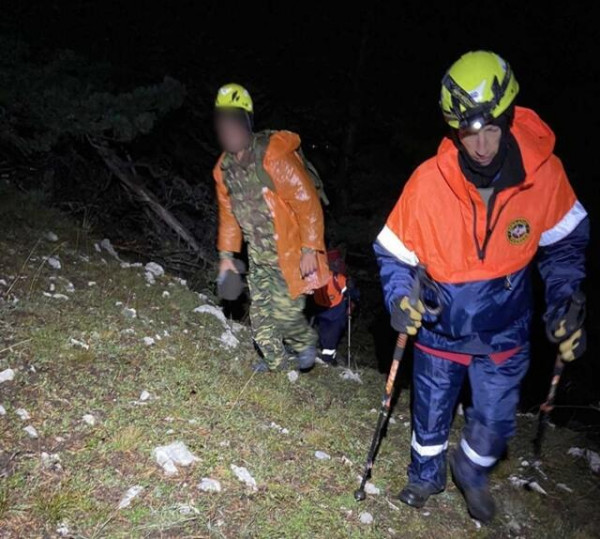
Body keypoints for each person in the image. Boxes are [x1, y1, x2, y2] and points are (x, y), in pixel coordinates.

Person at [374, 51, 589, 523]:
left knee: (494, 422)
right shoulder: (428, 183)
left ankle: (470, 466)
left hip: (505, 332)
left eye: (492, 128)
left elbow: (566, 247)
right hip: (438, 326)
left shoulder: (544, 176)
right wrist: (399, 299)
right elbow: (392, 251)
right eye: (471, 134)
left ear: (509, 119)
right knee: (429, 413)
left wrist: (564, 303)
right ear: (456, 131)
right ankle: (424, 476)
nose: (484, 145)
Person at [212, 83, 329, 373]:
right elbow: (228, 216)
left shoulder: (273, 157)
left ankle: (305, 342)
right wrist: (227, 255)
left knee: (287, 314)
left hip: (288, 251)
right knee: (261, 320)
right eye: (223, 122)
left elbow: (307, 202)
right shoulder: (224, 171)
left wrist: (310, 248)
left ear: (247, 122)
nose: (229, 129)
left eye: (235, 121)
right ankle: (276, 363)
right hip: (259, 256)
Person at [312, 249, 359, 366]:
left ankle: (328, 359)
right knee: (323, 334)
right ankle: (326, 356)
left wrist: (351, 289)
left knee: (331, 336)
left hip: (336, 311)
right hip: (322, 310)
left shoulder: (338, 278)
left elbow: (352, 294)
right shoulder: (315, 277)